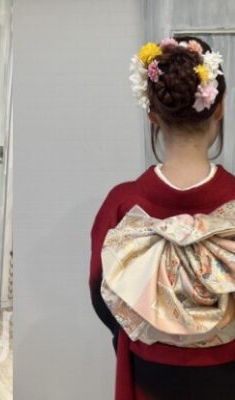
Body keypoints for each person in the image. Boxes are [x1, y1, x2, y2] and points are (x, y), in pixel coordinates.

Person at [89, 35, 235, 400]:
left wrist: (155, 326)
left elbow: (102, 295)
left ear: (151, 114)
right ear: (220, 107)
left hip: (149, 377)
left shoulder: (123, 205)